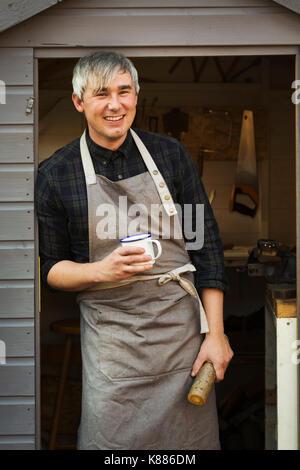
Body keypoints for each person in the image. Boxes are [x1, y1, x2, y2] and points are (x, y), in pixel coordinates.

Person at [35, 51, 233, 450]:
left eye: (124, 91)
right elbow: (51, 269)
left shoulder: (171, 157)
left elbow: (204, 247)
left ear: (136, 97)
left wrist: (217, 334)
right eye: (101, 93)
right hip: (113, 348)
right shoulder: (56, 174)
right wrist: (101, 272)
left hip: (180, 342)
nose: (115, 104)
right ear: (79, 101)